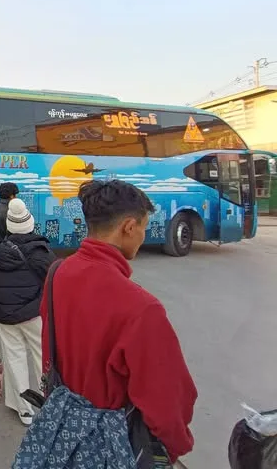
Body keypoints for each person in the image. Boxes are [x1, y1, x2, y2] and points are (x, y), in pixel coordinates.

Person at [40, 180, 197, 464]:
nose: (143, 236)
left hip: (62, 434)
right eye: (144, 227)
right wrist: (171, 449)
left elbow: (49, 352)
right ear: (128, 227)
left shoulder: (57, 273)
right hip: (111, 446)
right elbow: (168, 402)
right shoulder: (141, 308)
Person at [0, 198, 55, 426]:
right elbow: (54, 282)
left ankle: (23, 409)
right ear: (31, 225)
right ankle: (49, 405)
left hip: (4, 314)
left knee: (14, 358)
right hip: (34, 313)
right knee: (43, 358)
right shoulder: (41, 252)